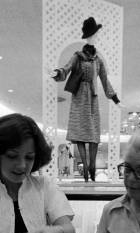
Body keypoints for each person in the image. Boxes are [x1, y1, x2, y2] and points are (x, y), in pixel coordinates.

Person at [50, 17, 121, 182]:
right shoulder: (78, 56)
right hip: (79, 98)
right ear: (90, 36)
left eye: (97, 35)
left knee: (94, 136)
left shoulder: (98, 60)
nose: (96, 37)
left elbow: (105, 81)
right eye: (95, 34)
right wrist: (57, 73)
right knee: (80, 134)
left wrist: (115, 99)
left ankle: (92, 167)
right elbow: (66, 69)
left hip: (93, 98)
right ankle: (87, 174)